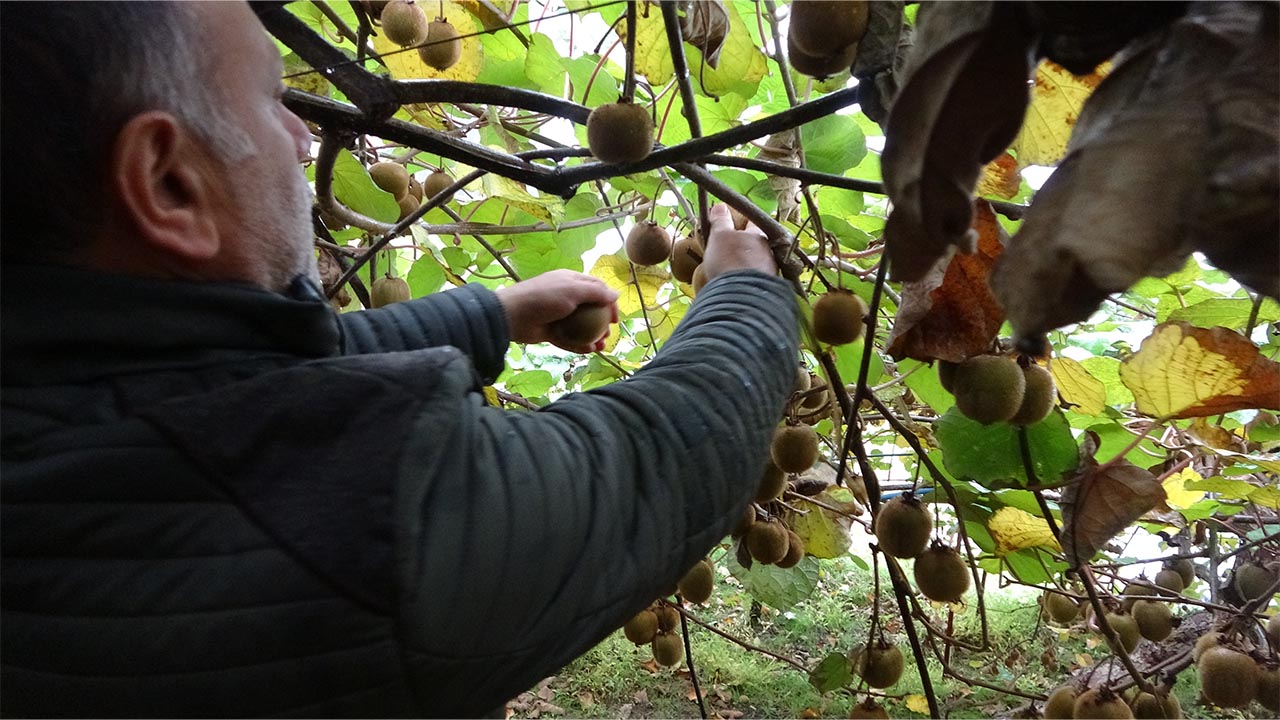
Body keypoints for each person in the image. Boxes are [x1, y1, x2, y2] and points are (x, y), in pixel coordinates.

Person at [0, 2, 799, 717]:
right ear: (169, 184)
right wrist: (743, 289)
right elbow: (653, 468)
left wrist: (488, 315)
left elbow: (244, 393)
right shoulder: (355, 527)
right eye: (275, 100)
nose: (305, 132)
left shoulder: (62, 396)